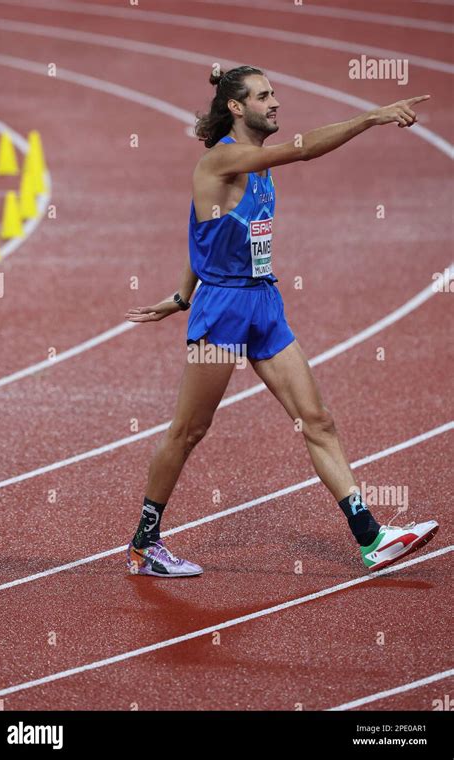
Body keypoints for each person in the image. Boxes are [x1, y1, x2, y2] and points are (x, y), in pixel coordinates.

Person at [125, 65, 438, 578]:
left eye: (275, 94)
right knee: (189, 429)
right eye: (264, 96)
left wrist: (181, 293)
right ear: (235, 106)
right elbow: (302, 148)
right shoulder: (222, 160)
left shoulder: (257, 165)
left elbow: (204, 225)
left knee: (317, 419)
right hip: (223, 309)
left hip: (264, 303)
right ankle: (144, 544)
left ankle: (372, 538)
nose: (275, 103)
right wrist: (373, 117)